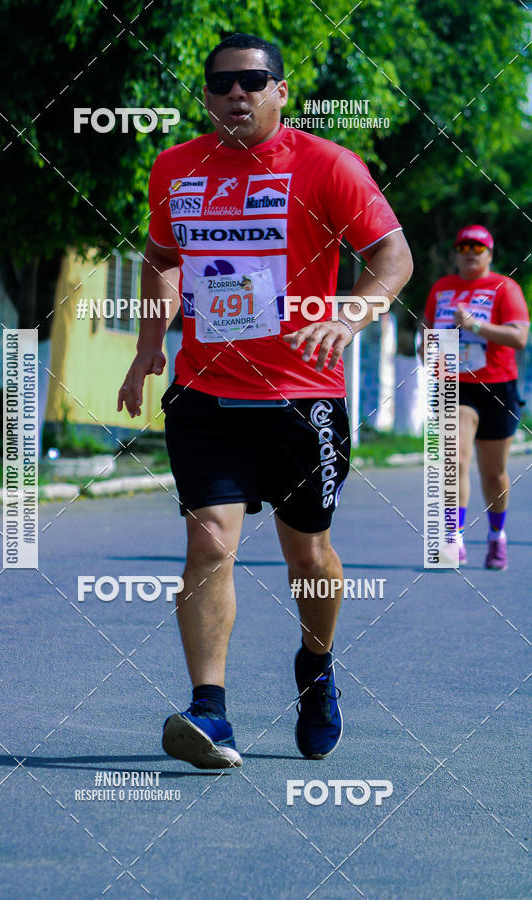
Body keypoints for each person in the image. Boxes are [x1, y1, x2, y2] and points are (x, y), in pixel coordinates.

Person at [118, 33, 413, 769]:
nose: (236, 94)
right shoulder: (176, 168)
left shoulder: (327, 166)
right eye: (221, 84)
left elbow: (393, 257)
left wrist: (352, 313)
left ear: (282, 91)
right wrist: (149, 344)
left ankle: (315, 668)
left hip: (299, 395)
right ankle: (210, 713)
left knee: (305, 550)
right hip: (205, 392)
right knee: (207, 542)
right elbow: (161, 261)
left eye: (253, 81)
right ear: (208, 97)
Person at [421, 225, 529, 570]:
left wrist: (475, 326)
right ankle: (453, 538)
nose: (470, 252)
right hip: (455, 384)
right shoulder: (442, 288)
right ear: (455, 253)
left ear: (489, 254)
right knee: (454, 459)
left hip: (497, 386)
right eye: (463, 246)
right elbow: (427, 327)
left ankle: (497, 535)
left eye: (477, 248)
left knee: (493, 472)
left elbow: (519, 338)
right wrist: (427, 346)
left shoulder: (504, 287)